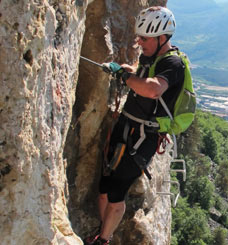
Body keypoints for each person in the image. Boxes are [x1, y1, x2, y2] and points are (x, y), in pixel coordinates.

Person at [84, 6, 185, 245]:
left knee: (117, 190)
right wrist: (122, 70)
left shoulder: (172, 64)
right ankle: (103, 229)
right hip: (127, 127)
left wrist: (128, 78)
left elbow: (152, 89)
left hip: (143, 138)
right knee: (105, 185)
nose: (139, 42)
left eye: (145, 38)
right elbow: (141, 76)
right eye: (139, 37)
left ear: (163, 38)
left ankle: (103, 240)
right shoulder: (152, 59)